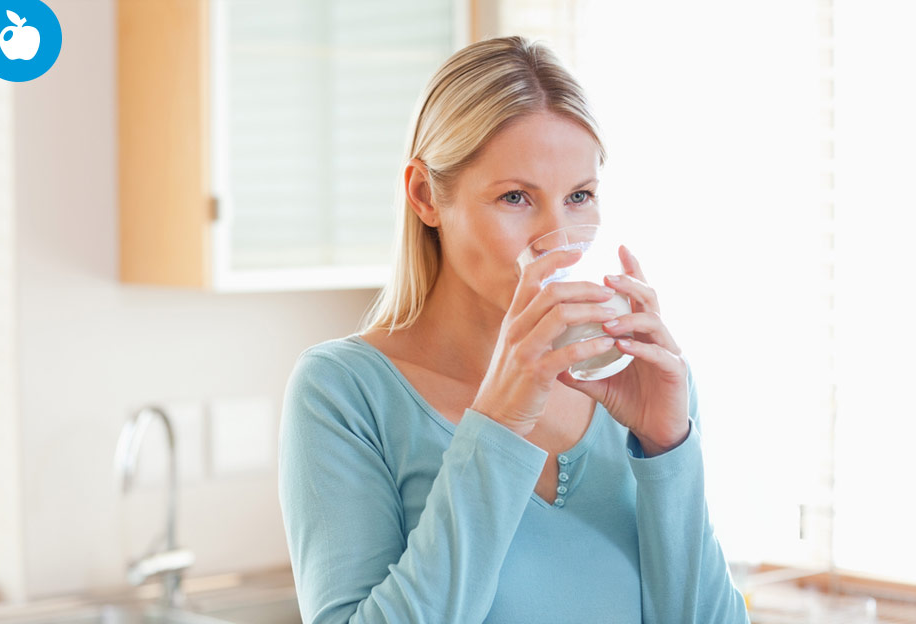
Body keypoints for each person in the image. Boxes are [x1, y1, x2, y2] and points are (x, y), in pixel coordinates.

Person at [279, 35, 750, 623]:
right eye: (515, 197)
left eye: (579, 196)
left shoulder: (639, 388)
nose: (560, 239)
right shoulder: (343, 394)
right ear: (426, 196)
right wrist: (498, 427)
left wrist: (668, 450)